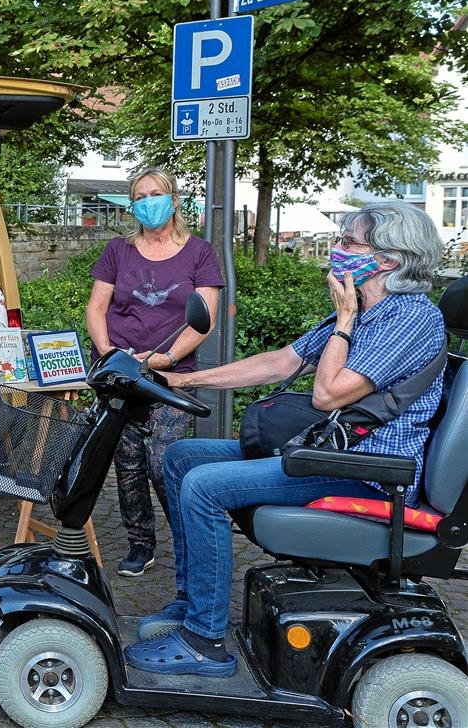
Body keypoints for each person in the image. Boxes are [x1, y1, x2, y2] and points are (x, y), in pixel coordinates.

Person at [125, 200, 446, 677]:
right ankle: (190, 602)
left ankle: (204, 640)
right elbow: (281, 361)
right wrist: (178, 379)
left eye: (348, 242)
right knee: (182, 456)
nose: (336, 251)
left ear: (389, 260)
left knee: (205, 486)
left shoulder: (408, 318)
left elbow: (328, 394)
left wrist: (343, 321)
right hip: (329, 455)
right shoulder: (368, 311)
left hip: (367, 473)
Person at [85, 168, 223, 577]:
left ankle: (188, 540)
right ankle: (140, 543)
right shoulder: (118, 250)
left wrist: (166, 358)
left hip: (168, 378)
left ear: (174, 200)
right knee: (127, 464)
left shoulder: (199, 252)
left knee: (165, 463)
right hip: (121, 375)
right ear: (132, 205)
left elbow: (206, 316)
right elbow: (97, 307)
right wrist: (110, 353)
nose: (149, 202)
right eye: (140, 196)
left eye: (156, 193)